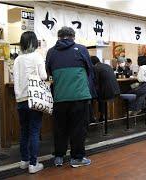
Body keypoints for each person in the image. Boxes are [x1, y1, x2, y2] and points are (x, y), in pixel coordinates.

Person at [46, 26, 93, 168]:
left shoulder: (51, 52)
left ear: (59, 37)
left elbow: (48, 72)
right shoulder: (82, 49)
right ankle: (77, 158)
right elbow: (90, 69)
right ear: (73, 36)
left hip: (60, 96)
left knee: (60, 128)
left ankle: (59, 157)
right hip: (79, 95)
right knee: (78, 128)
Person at [13, 31, 47, 173]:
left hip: (21, 100)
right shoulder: (37, 56)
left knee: (24, 131)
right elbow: (44, 76)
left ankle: (24, 161)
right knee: (34, 131)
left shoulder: (17, 59)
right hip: (34, 98)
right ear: (34, 42)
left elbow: (16, 79)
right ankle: (33, 164)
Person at [91, 56, 120, 122]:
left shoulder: (96, 68)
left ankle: (99, 116)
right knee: (99, 94)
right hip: (116, 90)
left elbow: (95, 81)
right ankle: (102, 116)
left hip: (107, 92)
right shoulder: (107, 66)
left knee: (94, 96)